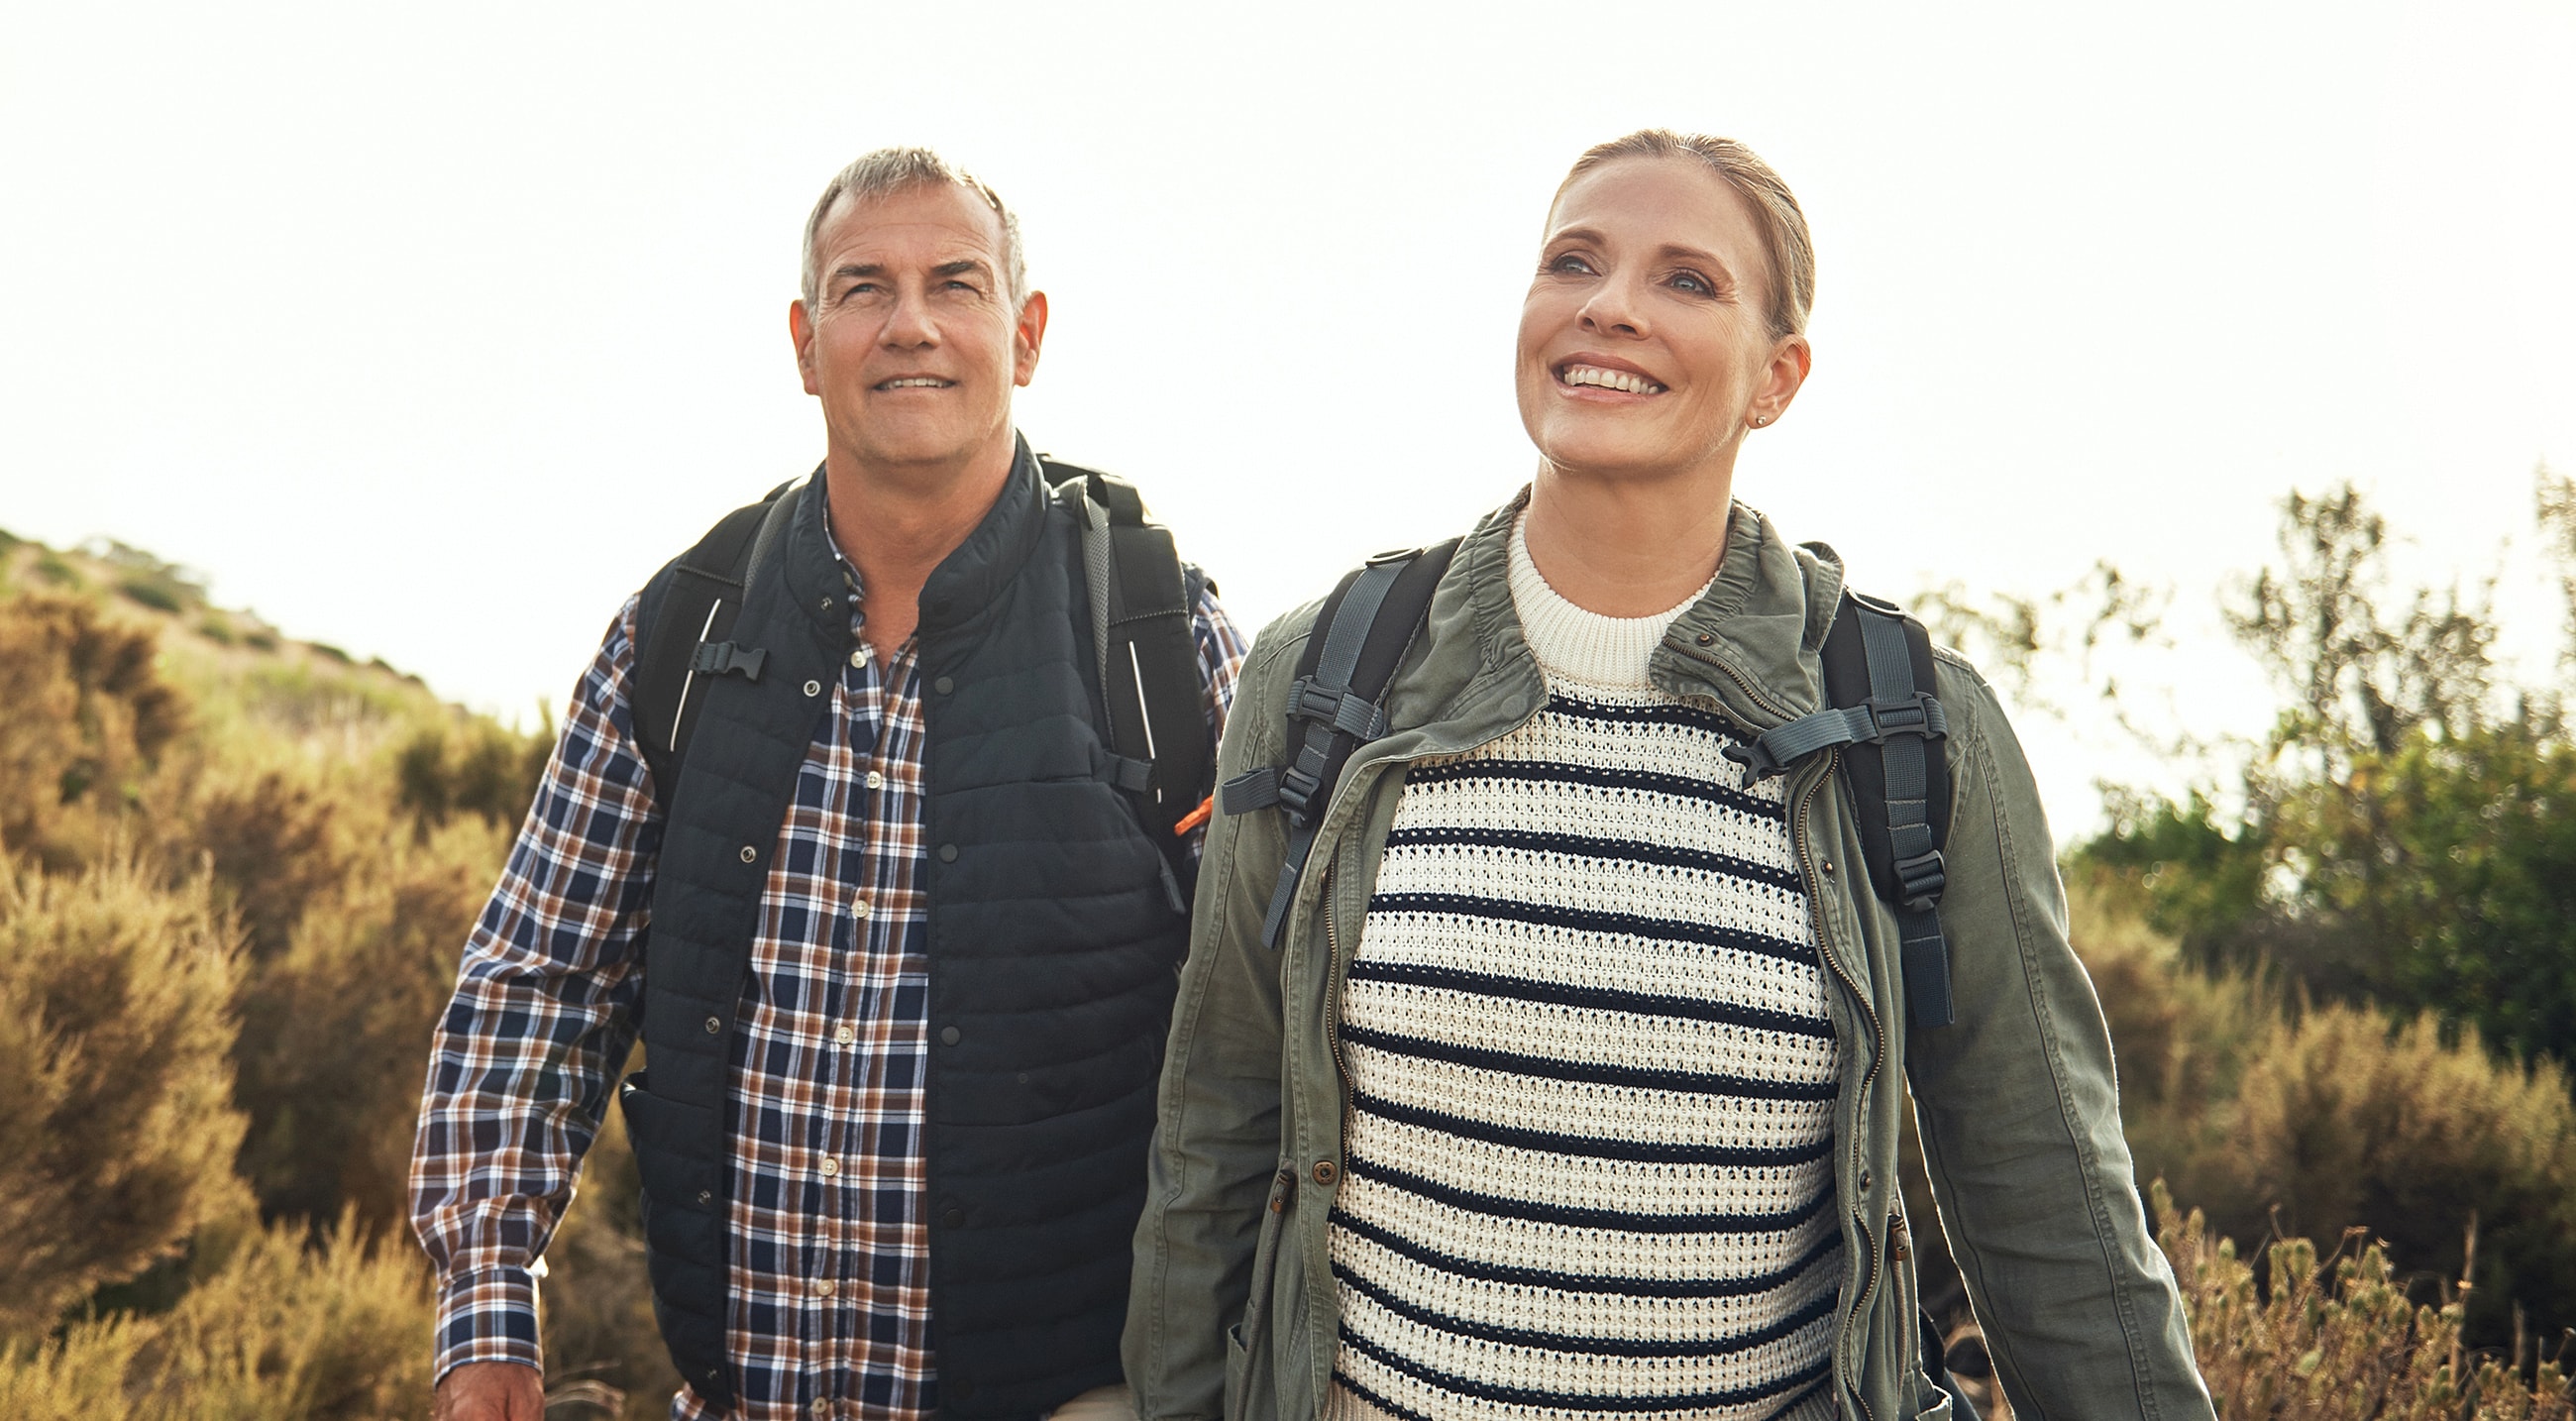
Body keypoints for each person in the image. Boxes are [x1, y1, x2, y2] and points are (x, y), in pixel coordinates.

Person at [1124, 130, 2215, 1421]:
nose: (1610, 305)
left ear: (1776, 377)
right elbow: (1213, 1133)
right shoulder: (1326, 674)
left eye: (1686, 280)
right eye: (1572, 262)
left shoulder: (1911, 725)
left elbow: (2051, 1203)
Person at [412, 147, 1244, 1421]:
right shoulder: (681, 628)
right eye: (864, 288)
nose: (909, 324)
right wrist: (486, 1309)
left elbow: (1271, 1030)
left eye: (954, 283)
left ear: (1024, 335)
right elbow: (540, 981)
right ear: (806, 346)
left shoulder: (1154, 634)